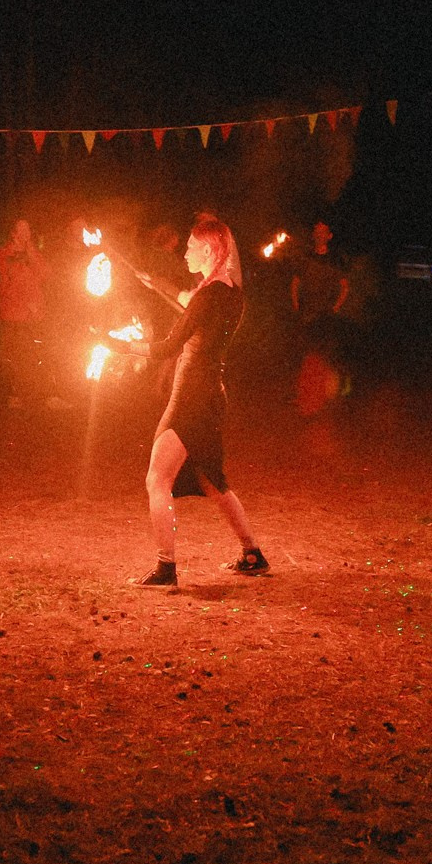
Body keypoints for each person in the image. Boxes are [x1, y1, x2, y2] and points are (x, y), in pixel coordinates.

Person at [110, 214, 266, 587]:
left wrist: (118, 345)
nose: (185, 251)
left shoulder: (209, 295)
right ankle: (252, 553)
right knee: (213, 480)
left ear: (210, 250)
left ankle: (166, 567)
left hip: (192, 396)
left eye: (192, 247)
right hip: (212, 394)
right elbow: (188, 302)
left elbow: (167, 346)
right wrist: (157, 283)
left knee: (157, 478)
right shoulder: (230, 294)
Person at [289, 220, 351, 415]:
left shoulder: (334, 260)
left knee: (325, 356)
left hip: (326, 315)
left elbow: (344, 286)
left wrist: (336, 307)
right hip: (307, 313)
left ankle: (324, 398)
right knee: (306, 357)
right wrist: (297, 304)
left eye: (323, 231)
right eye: (316, 231)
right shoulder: (306, 257)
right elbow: (295, 282)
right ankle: (305, 397)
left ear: (329, 236)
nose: (319, 234)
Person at [0, 217, 47, 410]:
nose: (25, 234)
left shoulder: (33, 252)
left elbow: (44, 273)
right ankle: (13, 393)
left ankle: (34, 394)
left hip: (33, 313)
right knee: (13, 354)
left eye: (28, 230)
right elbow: (9, 283)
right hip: (14, 312)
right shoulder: (4, 254)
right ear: (13, 233)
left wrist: (30, 250)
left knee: (34, 354)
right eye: (21, 230)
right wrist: (26, 304)